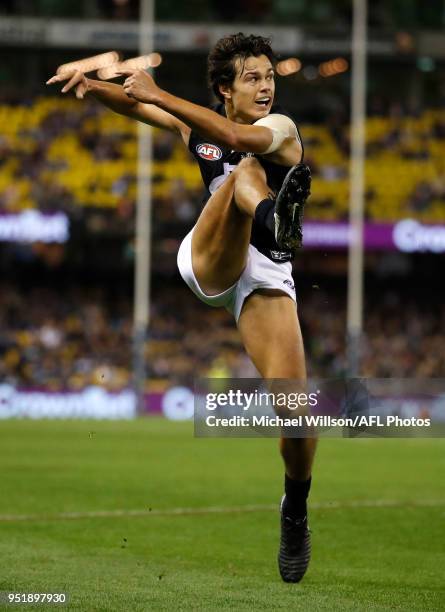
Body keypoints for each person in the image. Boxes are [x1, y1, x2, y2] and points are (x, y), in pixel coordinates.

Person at [47, 32, 317, 583]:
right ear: (224, 88)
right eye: (252, 78)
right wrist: (94, 87)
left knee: (298, 417)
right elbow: (137, 103)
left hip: (266, 278)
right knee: (244, 174)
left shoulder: (281, 129)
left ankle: (295, 510)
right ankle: (274, 220)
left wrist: (161, 94)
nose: (266, 86)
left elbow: (237, 134)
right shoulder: (198, 124)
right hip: (210, 256)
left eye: (269, 77)